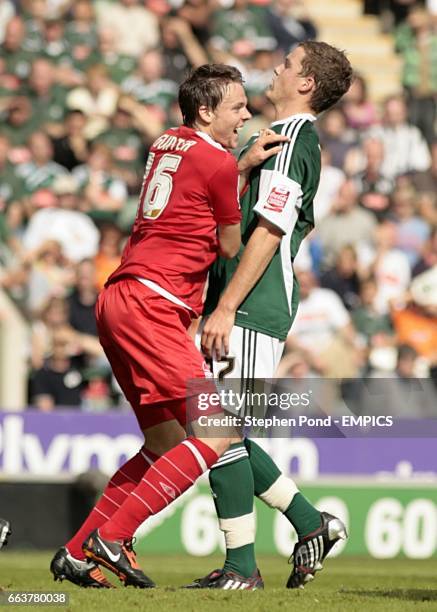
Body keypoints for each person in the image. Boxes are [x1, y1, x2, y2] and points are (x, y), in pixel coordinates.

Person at [50, 63, 256, 589]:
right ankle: (112, 537)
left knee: (165, 444)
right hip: (156, 304)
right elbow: (230, 246)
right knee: (215, 433)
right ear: (206, 111)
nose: (246, 115)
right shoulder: (216, 161)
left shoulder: (167, 140)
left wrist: (233, 171)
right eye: (237, 106)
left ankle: (77, 553)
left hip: (120, 295)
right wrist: (240, 177)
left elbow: (192, 192)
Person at [192, 41, 353, 590]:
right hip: (249, 300)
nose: (277, 68)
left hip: (255, 304)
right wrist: (239, 168)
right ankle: (312, 524)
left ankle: (242, 568)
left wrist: (228, 305)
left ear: (305, 83)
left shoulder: (292, 142)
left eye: (287, 64)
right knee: (218, 428)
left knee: (217, 431)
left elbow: (269, 230)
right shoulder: (281, 142)